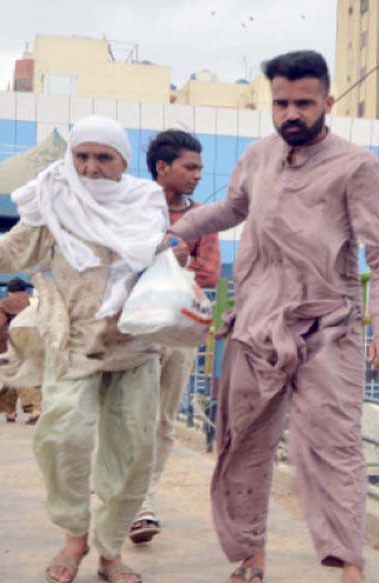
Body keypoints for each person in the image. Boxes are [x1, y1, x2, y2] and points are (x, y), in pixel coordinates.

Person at [163, 50, 379, 583]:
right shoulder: (258, 156)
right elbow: (230, 209)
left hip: (329, 327)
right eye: (281, 103)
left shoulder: (357, 166)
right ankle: (250, 555)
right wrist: (175, 233)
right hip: (255, 324)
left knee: (333, 447)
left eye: (303, 102)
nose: (291, 113)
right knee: (243, 441)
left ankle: (353, 574)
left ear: (327, 102)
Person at [0, 115, 169, 583]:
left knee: (134, 450)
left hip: (135, 345)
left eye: (104, 157)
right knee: (60, 436)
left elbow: (162, 262)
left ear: (122, 161)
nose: (91, 167)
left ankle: (110, 549)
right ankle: (74, 534)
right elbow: (13, 251)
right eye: (82, 156)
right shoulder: (54, 198)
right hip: (74, 341)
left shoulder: (146, 202)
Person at [129, 130, 221, 544]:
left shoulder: (203, 218)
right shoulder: (131, 209)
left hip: (179, 330)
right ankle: (127, 498)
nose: (197, 175)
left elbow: (210, 273)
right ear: (162, 168)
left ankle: (144, 501)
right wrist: (162, 256)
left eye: (200, 167)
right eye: (190, 167)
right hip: (131, 327)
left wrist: (178, 264)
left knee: (164, 419)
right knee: (130, 417)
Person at [0, 277, 42, 424]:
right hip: (38, 337)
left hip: (18, 336)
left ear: (9, 291)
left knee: (18, 372)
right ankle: (9, 411)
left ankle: (34, 409)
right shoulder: (36, 300)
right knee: (15, 373)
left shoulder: (5, 303)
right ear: (25, 289)